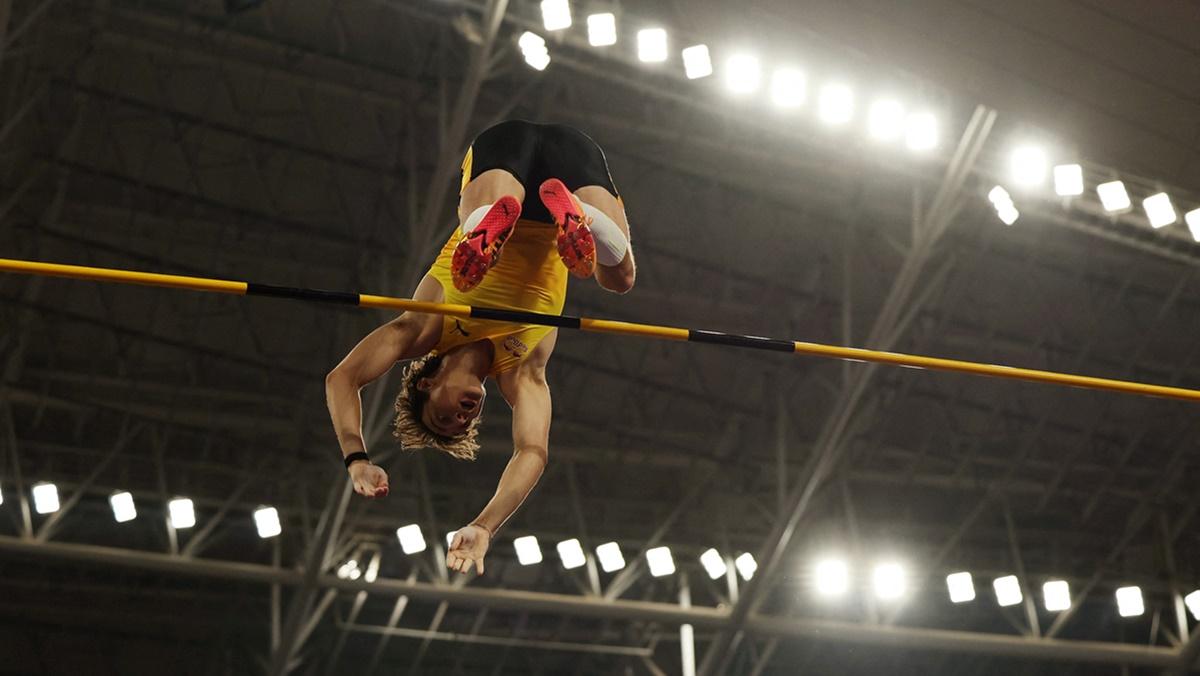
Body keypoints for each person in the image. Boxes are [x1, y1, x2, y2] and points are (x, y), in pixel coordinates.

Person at [325, 120, 635, 576]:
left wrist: (356, 459)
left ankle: (489, 229)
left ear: (427, 381)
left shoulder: (426, 328)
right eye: (464, 423)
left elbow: (343, 378)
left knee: (492, 206)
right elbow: (532, 451)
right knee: (620, 277)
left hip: (503, 171)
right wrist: (485, 526)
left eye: (444, 415)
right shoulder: (521, 370)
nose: (464, 416)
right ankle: (578, 221)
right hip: (569, 174)